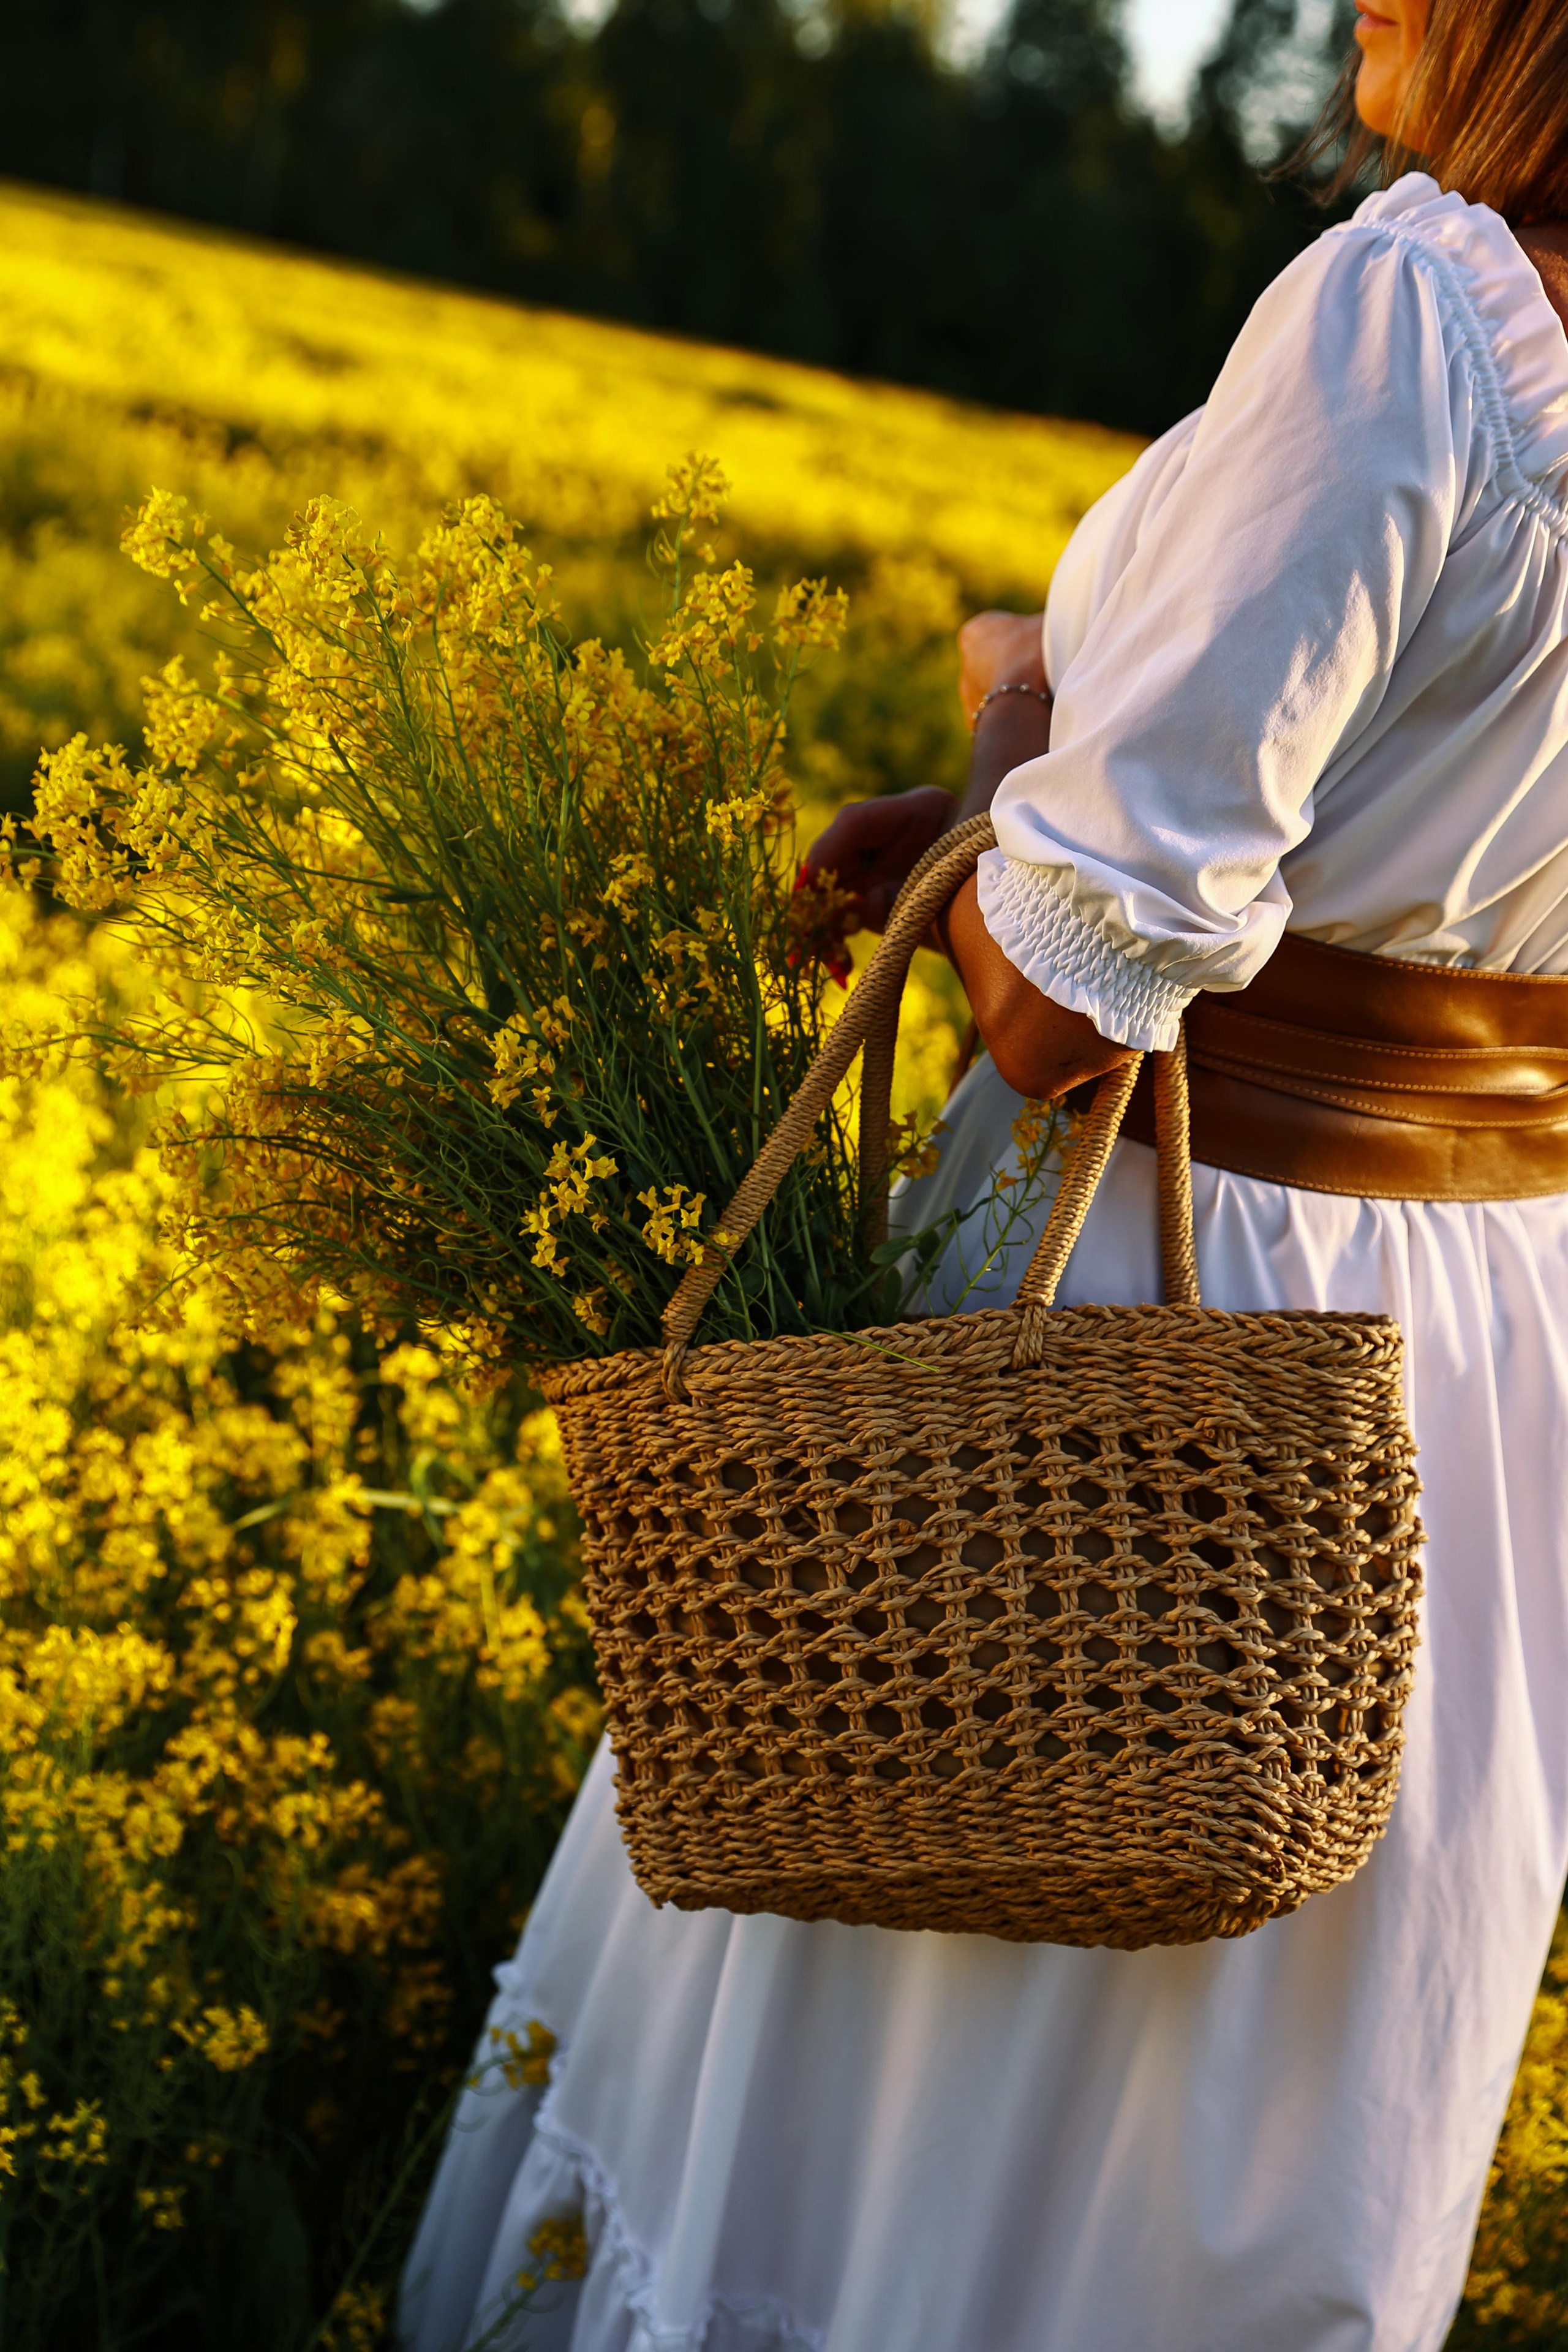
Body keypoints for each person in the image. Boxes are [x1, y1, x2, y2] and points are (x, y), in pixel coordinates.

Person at [400, 4, 1568, 2345]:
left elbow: (1064, 1009)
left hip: (1155, 1328)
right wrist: (1002, 828)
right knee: (1226, 2151)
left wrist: (1016, 716)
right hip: (1473, 1377)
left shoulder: (1422, 313)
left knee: (899, 2073)